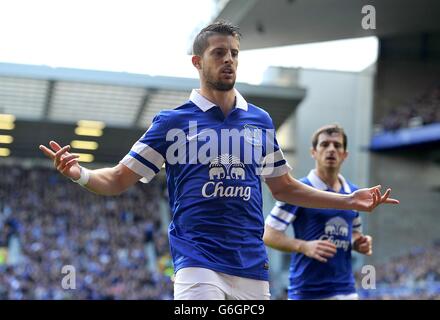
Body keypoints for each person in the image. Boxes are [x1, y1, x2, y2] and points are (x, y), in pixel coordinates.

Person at [39, 21, 398, 300]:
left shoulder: (260, 121)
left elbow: (285, 188)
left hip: (252, 267)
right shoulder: (172, 122)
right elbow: (117, 179)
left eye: (234, 54)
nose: (229, 60)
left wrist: (348, 200)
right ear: (197, 62)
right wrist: (80, 173)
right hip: (197, 263)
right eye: (219, 53)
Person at [264, 124, 376, 300]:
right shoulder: (299, 191)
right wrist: (304, 246)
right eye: (325, 144)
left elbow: (353, 231)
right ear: (313, 152)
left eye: (337, 145)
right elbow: (269, 234)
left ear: (345, 154)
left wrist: (358, 242)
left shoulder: (352, 193)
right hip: (308, 291)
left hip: (346, 289)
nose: (331, 149)